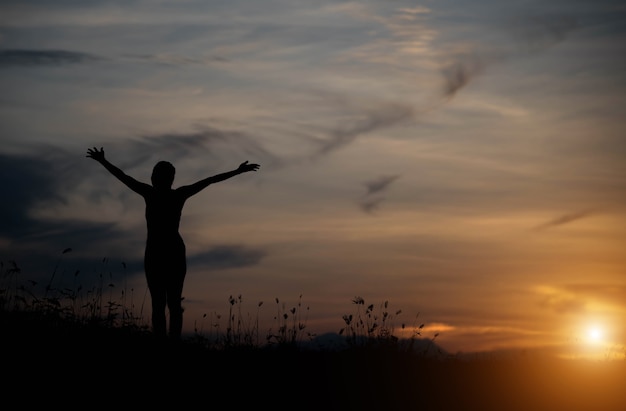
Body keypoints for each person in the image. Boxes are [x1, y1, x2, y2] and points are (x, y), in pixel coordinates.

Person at [86, 146, 260, 341]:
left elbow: (123, 177)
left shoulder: (154, 193)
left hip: (160, 252)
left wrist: (103, 161)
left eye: (156, 174)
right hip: (167, 251)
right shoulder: (174, 194)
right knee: (169, 303)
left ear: (159, 178)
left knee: (162, 304)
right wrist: (237, 171)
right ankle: (168, 342)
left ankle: (166, 343)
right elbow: (210, 180)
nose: (154, 178)